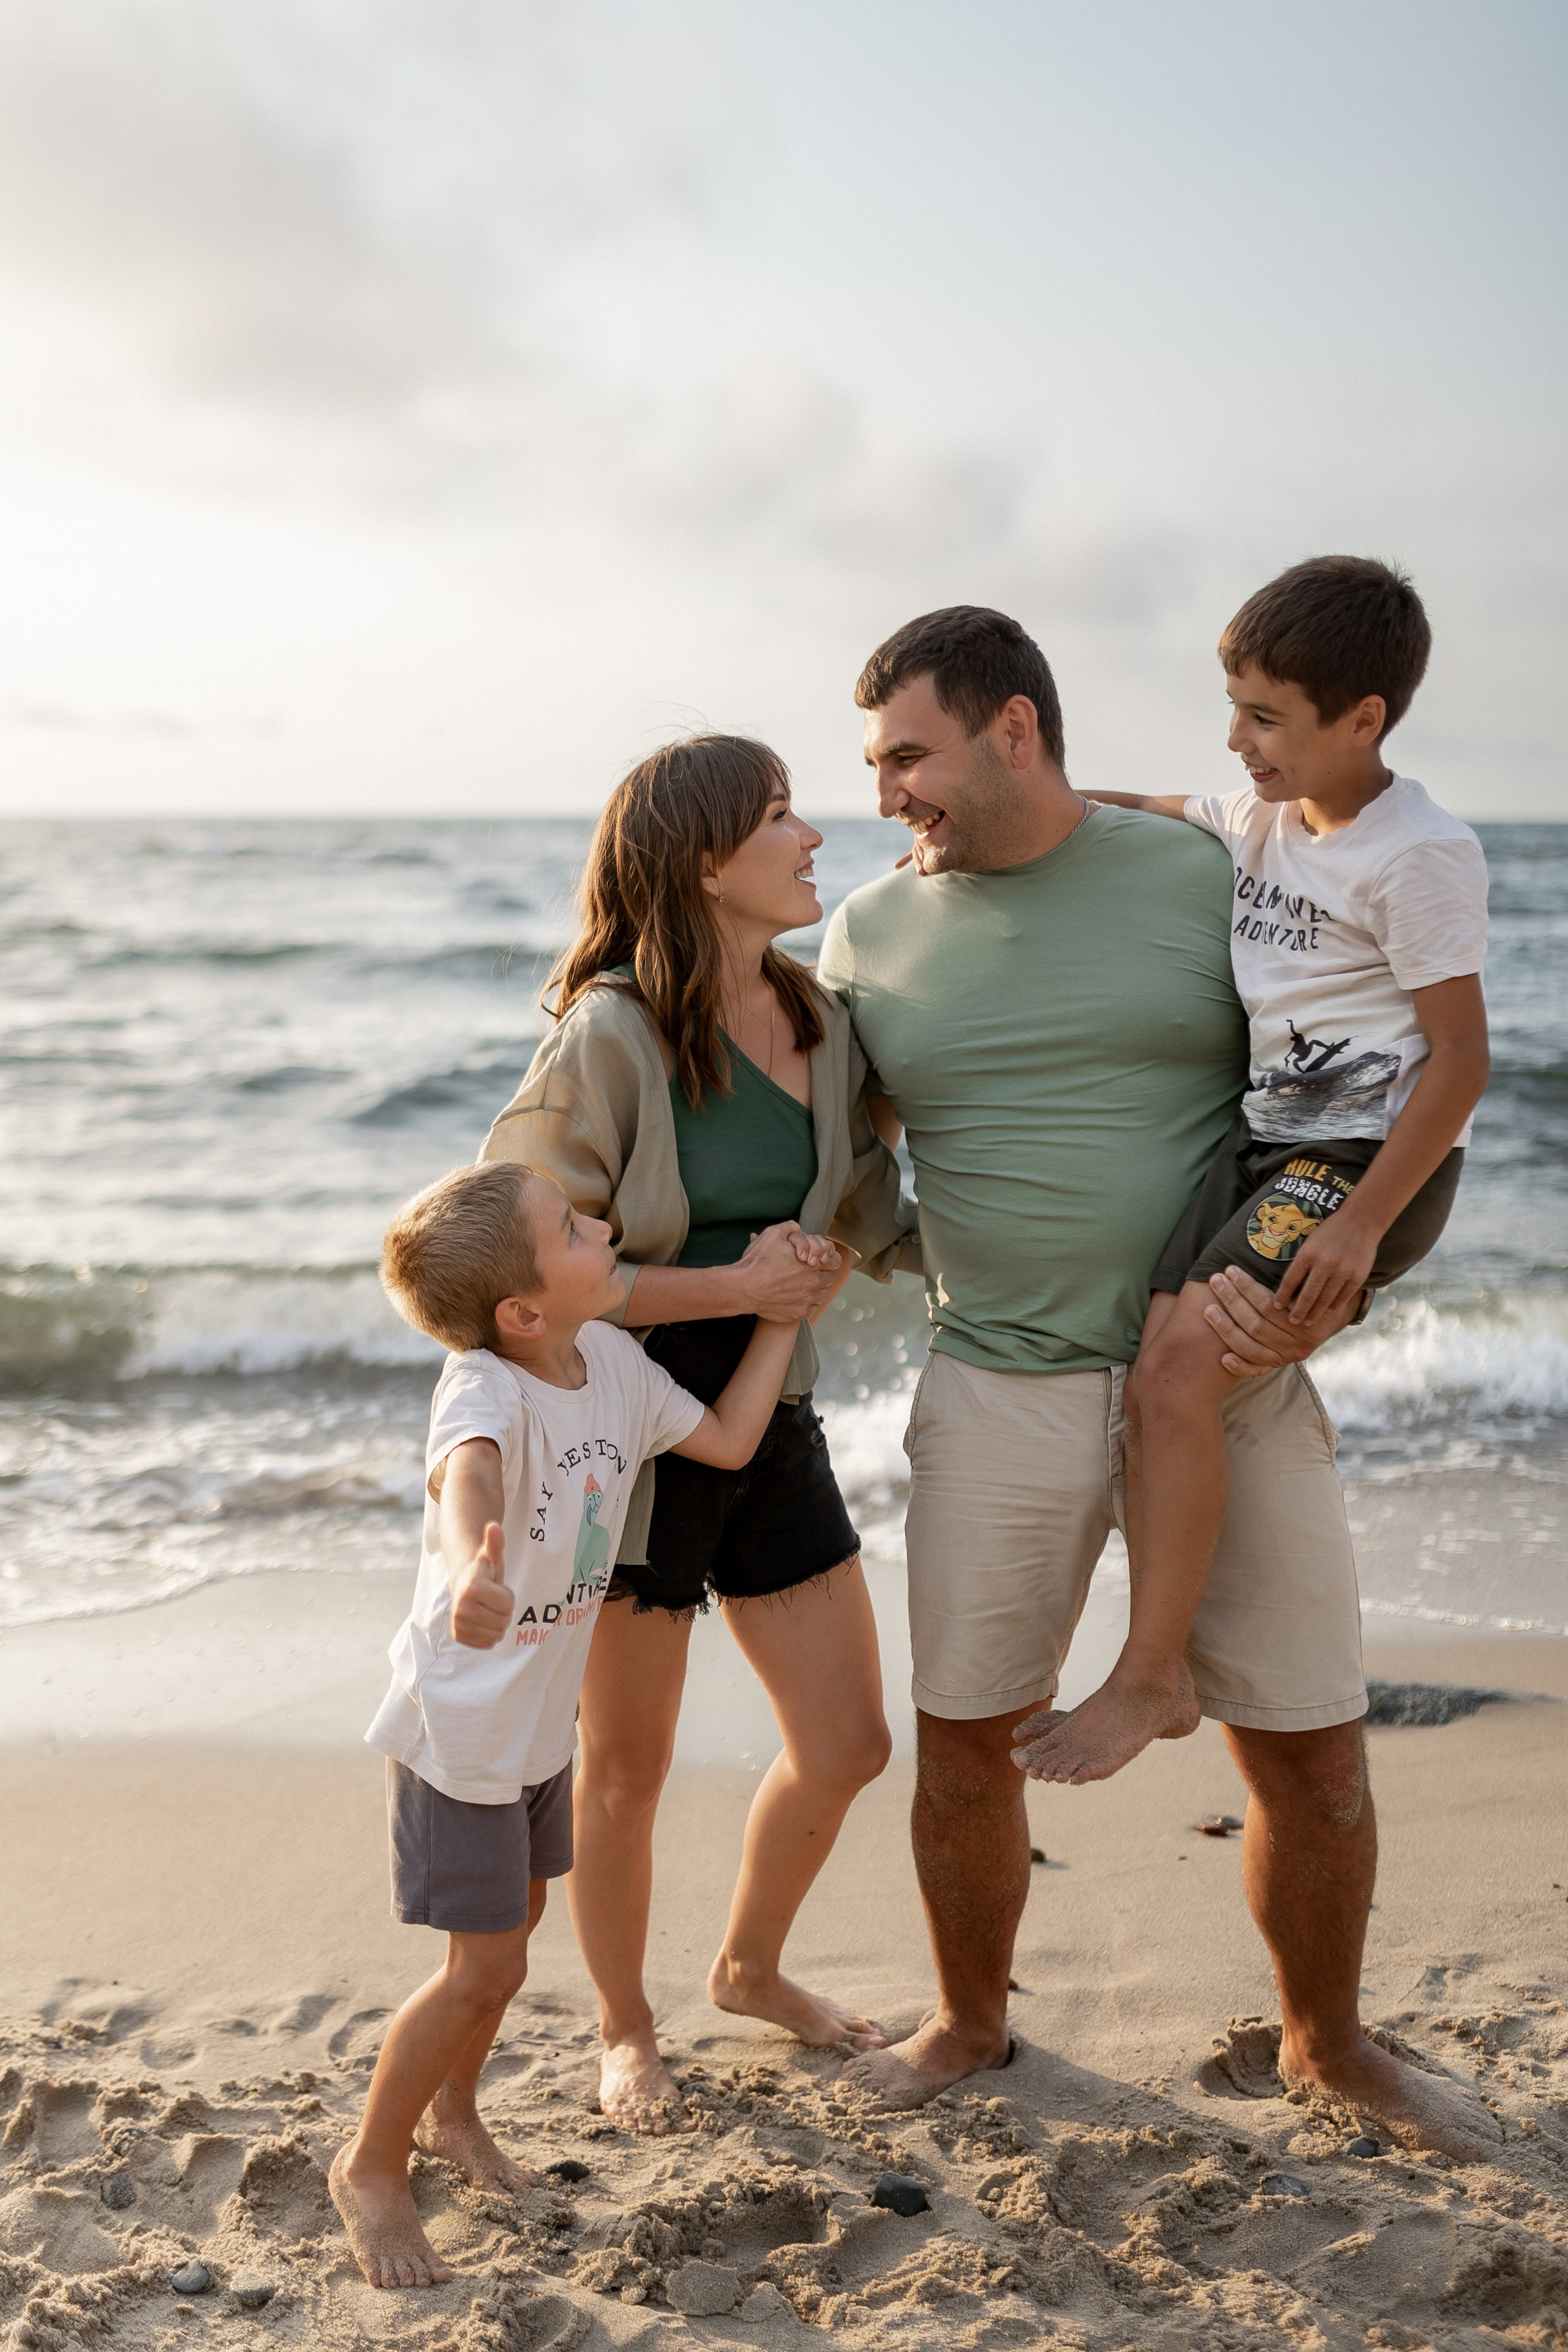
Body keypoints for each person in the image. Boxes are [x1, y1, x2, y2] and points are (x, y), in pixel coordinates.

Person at [818, 603, 1501, 2160]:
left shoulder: (1212, 871)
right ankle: (968, 2023)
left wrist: (1341, 1281)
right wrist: (875, 1250)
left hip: (1221, 1374)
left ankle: (1327, 2043)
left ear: (1012, 729)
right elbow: (833, 1143)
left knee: (1310, 1746)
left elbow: (1363, 1071)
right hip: (996, 1379)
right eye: (873, 766)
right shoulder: (865, 931)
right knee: (964, 1741)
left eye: (908, 756)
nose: (886, 793)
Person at [478, 734, 914, 2135]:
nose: (813, 836)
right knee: (626, 1770)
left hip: (769, 1413)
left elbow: (872, 1207)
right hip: (620, 1446)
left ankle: (747, 1968)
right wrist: (735, 1289)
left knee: (847, 1741)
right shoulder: (608, 1036)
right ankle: (623, 2029)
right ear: (705, 863)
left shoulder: (820, 1015)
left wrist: (1069, 1267)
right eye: (780, 815)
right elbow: (521, 1273)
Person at [1021, 557, 1489, 1786]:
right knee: (1152, 1372)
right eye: (1232, 708)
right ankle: (1164, 1663)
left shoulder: (1419, 854)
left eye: (1266, 717)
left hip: (1359, 1164)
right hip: (1263, 1146)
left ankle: (1149, 1675)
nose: (1236, 740)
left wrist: (1357, 1229)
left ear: (1363, 719)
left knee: (1178, 1378)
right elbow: (1136, 805)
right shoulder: (1263, 817)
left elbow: (1459, 1061)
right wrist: (1005, 812)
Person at [329, 1159, 804, 2289]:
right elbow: (468, 1479)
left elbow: (730, 1441)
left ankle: (453, 2111)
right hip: (461, 1735)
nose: (602, 1228)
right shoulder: (484, 1387)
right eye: (573, 1229)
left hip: (538, 1727)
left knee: (513, 1938)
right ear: (522, 1312)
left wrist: (784, 1316)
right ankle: (371, 2164)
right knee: (482, 1969)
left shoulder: (616, 1367)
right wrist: (469, 1572)